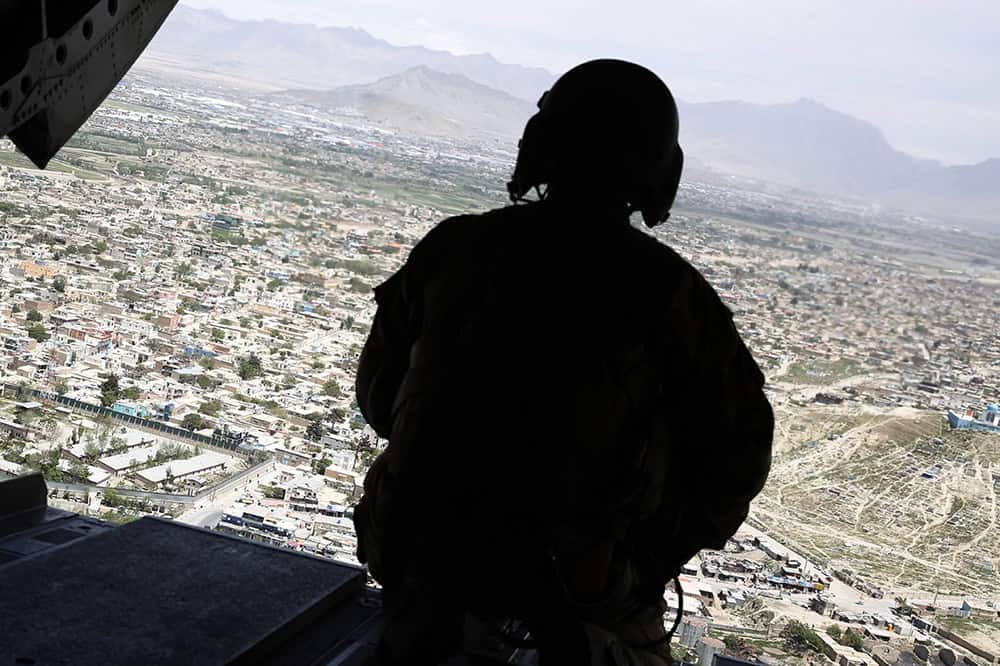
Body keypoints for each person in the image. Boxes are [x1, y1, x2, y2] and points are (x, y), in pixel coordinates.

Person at [353, 59, 774, 665]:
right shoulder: (672, 296)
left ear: (541, 143)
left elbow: (379, 398)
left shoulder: (456, 250)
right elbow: (737, 461)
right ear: (658, 168)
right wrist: (642, 560)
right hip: (584, 595)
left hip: (425, 561)